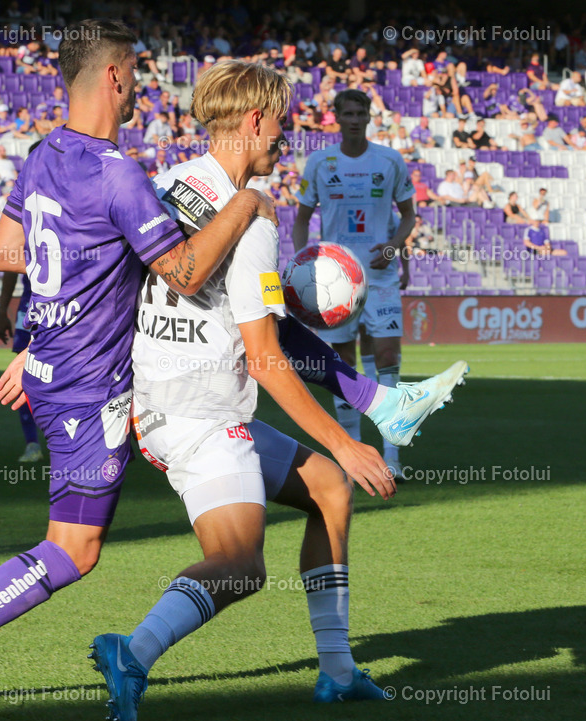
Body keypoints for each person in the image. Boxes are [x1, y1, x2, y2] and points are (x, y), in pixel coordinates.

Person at [0, 21, 277, 712]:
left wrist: (59, 311)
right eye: (138, 78)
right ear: (115, 77)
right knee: (73, 549)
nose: (141, 93)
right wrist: (243, 203)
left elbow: (5, 251)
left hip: (58, 367)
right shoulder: (117, 172)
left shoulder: (43, 154)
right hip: (90, 387)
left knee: (84, 543)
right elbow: (182, 274)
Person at [91, 61, 468, 718]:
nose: (288, 138)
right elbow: (265, 360)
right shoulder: (255, 222)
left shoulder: (168, 185)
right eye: (284, 124)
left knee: (327, 489)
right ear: (255, 120)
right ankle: (134, 651)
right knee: (241, 564)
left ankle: (338, 669)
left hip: (159, 403)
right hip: (199, 417)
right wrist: (344, 441)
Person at [292, 89, 417, 479]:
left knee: (386, 359)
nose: (353, 119)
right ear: (337, 118)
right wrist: (304, 265)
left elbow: (409, 216)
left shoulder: (389, 161)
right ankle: (354, 457)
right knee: (344, 365)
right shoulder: (319, 163)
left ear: (368, 117)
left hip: (379, 276)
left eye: (359, 113)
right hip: (336, 280)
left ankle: (392, 457)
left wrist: (396, 248)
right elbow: (301, 220)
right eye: (346, 113)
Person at [0, 270, 42, 462]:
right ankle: (32, 443)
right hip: (29, 309)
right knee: (24, 380)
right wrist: (2, 310)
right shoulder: (19, 241)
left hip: (66, 307)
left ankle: (77, 441)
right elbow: (8, 267)